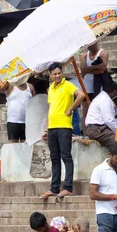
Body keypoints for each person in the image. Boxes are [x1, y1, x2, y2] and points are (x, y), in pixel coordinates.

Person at [40, 63, 85, 199]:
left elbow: (81, 95)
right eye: (54, 74)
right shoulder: (51, 89)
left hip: (64, 126)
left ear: (62, 73)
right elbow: (50, 108)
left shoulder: (68, 85)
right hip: (52, 127)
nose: (57, 76)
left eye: (59, 73)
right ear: (50, 75)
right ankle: (54, 188)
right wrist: (47, 128)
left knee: (66, 156)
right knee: (54, 158)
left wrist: (71, 108)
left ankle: (67, 187)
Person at [85, 79, 117, 150]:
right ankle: (115, 160)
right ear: (114, 91)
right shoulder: (104, 99)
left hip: (97, 128)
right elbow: (109, 120)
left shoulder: (102, 97)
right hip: (96, 129)